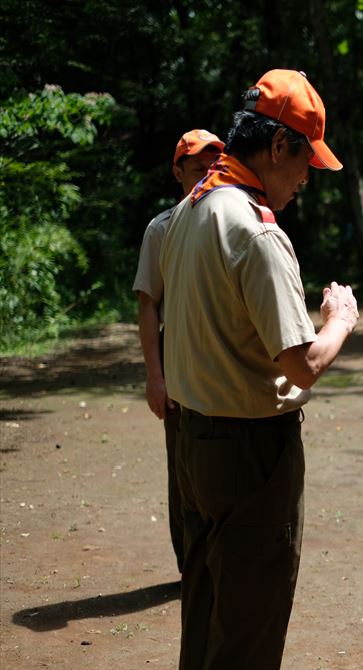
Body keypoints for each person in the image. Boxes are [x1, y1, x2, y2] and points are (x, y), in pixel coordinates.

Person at [159, 69, 359, 670]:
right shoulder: (255, 229)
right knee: (246, 636)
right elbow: (301, 364)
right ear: (279, 145)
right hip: (251, 454)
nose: (308, 177)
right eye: (306, 157)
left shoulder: (188, 212)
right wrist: (340, 320)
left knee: (208, 624)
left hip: (192, 445)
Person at [132, 128, 224, 574]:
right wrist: (155, 375)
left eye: (214, 168)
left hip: (218, 351)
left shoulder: (231, 221)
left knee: (223, 455)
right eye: (196, 170)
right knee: (184, 464)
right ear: (177, 173)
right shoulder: (162, 229)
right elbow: (148, 303)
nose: (207, 177)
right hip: (178, 349)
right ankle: (192, 566)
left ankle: (222, 558)